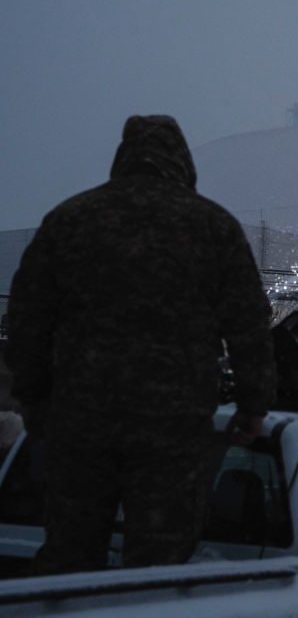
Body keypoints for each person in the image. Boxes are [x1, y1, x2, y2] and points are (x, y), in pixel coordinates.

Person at [4, 115, 276, 574]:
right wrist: (254, 404)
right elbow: (248, 323)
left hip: (79, 421)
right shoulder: (212, 226)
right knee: (158, 564)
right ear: (183, 162)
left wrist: (34, 399)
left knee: (71, 554)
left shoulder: (71, 219)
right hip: (171, 427)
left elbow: (27, 319)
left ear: (123, 157)